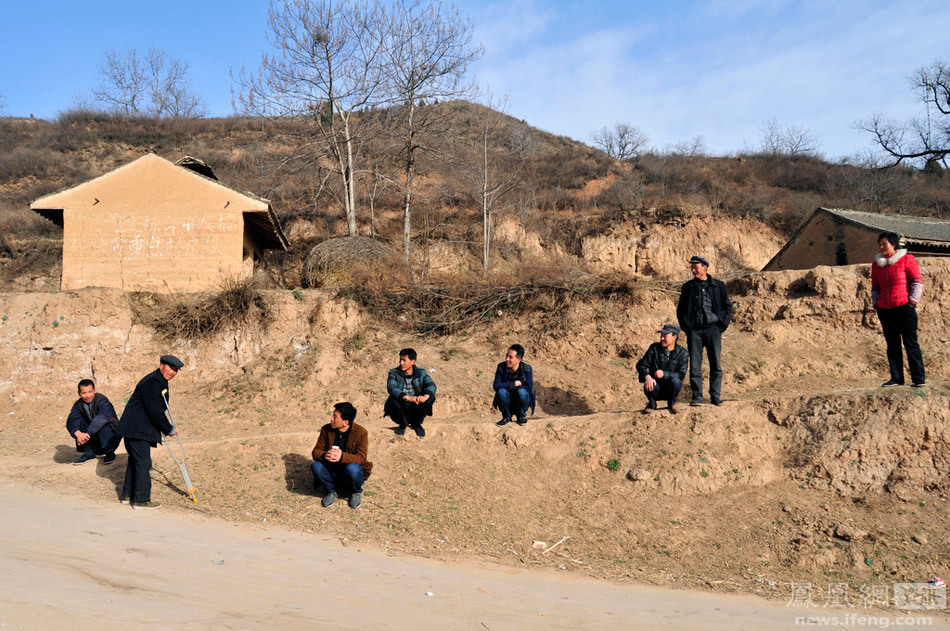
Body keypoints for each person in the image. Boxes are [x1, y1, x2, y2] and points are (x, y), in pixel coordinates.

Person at [115, 355, 183, 510]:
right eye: (170, 368)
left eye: (176, 370)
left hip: (135, 429)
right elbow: (155, 410)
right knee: (143, 462)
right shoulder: (153, 382)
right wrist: (168, 428)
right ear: (161, 365)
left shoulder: (158, 381)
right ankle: (141, 500)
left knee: (136, 461)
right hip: (138, 429)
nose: (173, 372)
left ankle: (128, 495)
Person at [677, 255, 733, 406]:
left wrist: (722, 325)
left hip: (713, 329)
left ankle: (715, 395)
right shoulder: (687, 287)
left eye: (696, 267)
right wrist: (687, 328)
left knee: (716, 363)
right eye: (692, 267)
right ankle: (697, 397)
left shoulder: (718, 285)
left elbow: (728, 307)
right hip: (694, 331)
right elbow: (681, 310)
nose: (693, 270)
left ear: (705, 268)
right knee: (695, 365)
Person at [872, 232, 925, 387]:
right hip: (885, 309)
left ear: (893, 244)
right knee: (892, 345)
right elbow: (875, 287)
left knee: (910, 342)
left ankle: (918, 378)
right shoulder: (877, 265)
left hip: (904, 307)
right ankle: (896, 378)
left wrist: (912, 301)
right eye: (880, 244)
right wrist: (876, 303)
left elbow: (917, 281)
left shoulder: (907, 259)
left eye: (884, 244)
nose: (881, 247)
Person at [311, 402, 373, 509]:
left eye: (335, 417)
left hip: (348, 473)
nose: (331, 419)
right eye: (333, 415)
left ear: (345, 422)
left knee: (353, 469)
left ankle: (355, 492)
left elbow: (361, 457)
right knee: (316, 466)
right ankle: (331, 491)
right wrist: (325, 455)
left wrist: (342, 457)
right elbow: (316, 451)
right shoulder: (326, 430)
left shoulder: (361, 433)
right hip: (332, 472)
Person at [636, 324, 690, 414]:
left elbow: (681, 374)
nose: (661, 339)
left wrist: (664, 374)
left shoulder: (683, 353)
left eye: (665, 336)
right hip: (655, 386)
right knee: (649, 383)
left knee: (676, 381)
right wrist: (647, 377)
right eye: (661, 336)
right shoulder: (654, 348)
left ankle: (672, 402)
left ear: (674, 337)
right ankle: (652, 403)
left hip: (671, 387)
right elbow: (641, 365)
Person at [384, 348, 436, 437]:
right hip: (400, 410)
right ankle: (402, 424)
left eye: (404, 360)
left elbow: (432, 385)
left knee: (430, 396)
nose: (401, 363)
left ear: (413, 361)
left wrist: (425, 397)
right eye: (400, 359)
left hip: (416, 408)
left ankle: (416, 424)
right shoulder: (394, 373)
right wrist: (407, 397)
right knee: (393, 398)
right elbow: (391, 387)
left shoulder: (421, 373)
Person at [66, 379, 120, 465]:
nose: (87, 395)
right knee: (77, 422)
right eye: (84, 393)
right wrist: (77, 433)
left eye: (90, 392)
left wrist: (87, 433)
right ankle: (89, 453)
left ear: (94, 391)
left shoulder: (102, 400)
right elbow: (72, 418)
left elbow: (102, 417)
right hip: (93, 439)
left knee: (103, 423)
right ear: (79, 393)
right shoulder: (78, 405)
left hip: (110, 439)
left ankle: (110, 453)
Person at [493, 344, 536, 426]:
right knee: (501, 392)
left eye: (510, 357)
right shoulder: (501, 367)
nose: (507, 359)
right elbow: (496, 385)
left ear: (518, 359)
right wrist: (513, 384)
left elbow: (529, 389)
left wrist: (520, 385)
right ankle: (506, 417)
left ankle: (521, 416)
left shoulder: (527, 369)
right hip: (506, 400)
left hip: (520, 401)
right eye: (507, 355)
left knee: (522, 392)